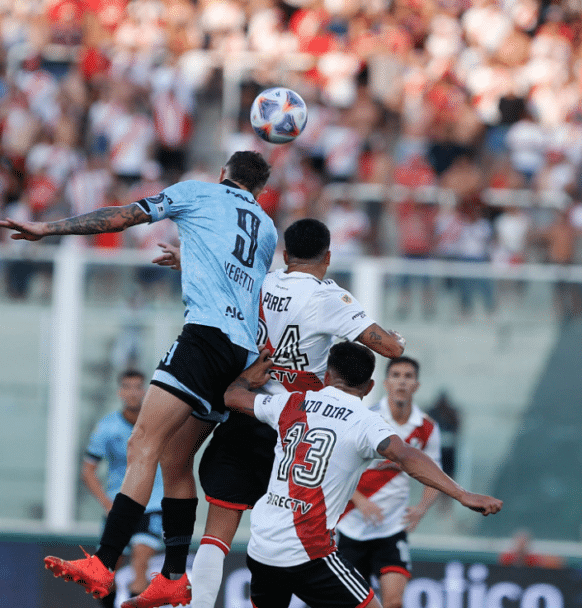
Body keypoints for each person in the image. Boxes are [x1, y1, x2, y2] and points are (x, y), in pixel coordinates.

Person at [0, 150, 277, 601]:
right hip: (240, 351)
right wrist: (194, 261)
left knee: (141, 444)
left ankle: (104, 562)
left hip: (204, 339)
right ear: (260, 190)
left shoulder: (198, 193)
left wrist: (48, 229)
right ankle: (172, 577)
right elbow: (246, 282)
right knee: (175, 458)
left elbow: (120, 218)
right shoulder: (265, 226)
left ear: (222, 173)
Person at [147, 218, 407, 608]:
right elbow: (388, 348)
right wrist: (397, 340)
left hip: (247, 408)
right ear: (328, 258)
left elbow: (221, 275)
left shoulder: (260, 282)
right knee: (298, 534)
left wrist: (187, 257)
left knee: (216, 533)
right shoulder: (328, 298)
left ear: (286, 255)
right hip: (296, 429)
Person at [223, 342, 502, 608]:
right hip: (308, 550)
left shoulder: (290, 402)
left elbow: (232, 397)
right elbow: (406, 456)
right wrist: (462, 494)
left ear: (328, 376)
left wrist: (246, 377)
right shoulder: (364, 421)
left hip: (262, 547)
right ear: (369, 387)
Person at [336, 357, 441, 608]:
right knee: (349, 603)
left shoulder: (426, 428)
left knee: (394, 602)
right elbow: (336, 470)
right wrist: (360, 501)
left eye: (408, 376)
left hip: (392, 529)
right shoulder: (366, 418)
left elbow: (435, 476)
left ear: (416, 384)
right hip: (352, 526)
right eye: (396, 375)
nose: (402, 382)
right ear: (385, 383)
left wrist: (422, 508)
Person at [82, 370, 166, 608]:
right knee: (105, 573)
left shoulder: (158, 424)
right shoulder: (107, 427)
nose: (133, 393)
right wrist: (107, 504)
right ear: (120, 392)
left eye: (138, 387)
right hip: (118, 505)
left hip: (152, 505)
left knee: (141, 565)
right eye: (127, 387)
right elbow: (88, 469)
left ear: (146, 391)